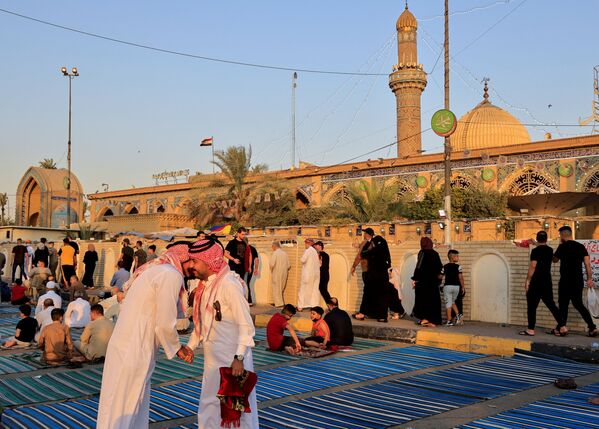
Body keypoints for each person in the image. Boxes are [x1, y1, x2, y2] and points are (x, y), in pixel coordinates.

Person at [97, 241, 197, 429]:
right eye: (194, 261)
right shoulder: (171, 274)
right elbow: (164, 323)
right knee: (125, 405)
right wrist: (178, 348)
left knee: (122, 404)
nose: (195, 267)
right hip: (135, 346)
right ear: (186, 259)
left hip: (127, 344)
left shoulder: (156, 270)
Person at [186, 237, 259, 428]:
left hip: (232, 360)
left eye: (195, 261)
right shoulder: (204, 287)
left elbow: (246, 324)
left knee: (237, 411)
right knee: (210, 405)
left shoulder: (228, 284)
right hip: (212, 362)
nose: (191, 266)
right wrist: (190, 346)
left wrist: (239, 357)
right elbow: (202, 323)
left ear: (209, 261)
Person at [553, 225, 598, 337]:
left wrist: (559, 246)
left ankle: (562, 328)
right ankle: (592, 327)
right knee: (578, 304)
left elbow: (554, 260)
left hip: (565, 281)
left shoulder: (562, 247)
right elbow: (588, 264)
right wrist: (589, 279)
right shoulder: (580, 247)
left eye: (560, 235)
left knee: (563, 305)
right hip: (577, 281)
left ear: (562, 235)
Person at [520, 231, 562, 336]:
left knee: (532, 306)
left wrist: (528, 280)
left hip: (536, 282)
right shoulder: (550, 250)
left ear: (537, 239)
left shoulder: (535, 251)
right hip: (547, 281)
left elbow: (533, 265)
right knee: (551, 304)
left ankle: (530, 329)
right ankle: (562, 326)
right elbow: (546, 251)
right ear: (546, 239)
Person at [352, 228, 392, 322]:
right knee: (380, 294)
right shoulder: (381, 241)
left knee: (368, 292)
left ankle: (362, 313)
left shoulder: (374, 242)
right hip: (381, 272)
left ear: (367, 234)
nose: (363, 235)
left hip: (375, 273)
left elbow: (363, 254)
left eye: (365, 233)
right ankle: (380, 316)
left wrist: (354, 265)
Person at [411, 237, 443, 327]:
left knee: (423, 301)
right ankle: (433, 320)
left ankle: (426, 319)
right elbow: (440, 268)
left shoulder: (422, 253)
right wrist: (438, 280)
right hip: (432, 282)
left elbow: (419, 267)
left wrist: (415, 279)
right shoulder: (435, 253)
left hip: (423, 282)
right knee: (433, 301)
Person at [442, 250, 465, 326]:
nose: (458, 257)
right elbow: (461, 277)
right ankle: (458, 315)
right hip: (456, 287)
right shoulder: (459, 267)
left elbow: (440, 276)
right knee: (452, 302)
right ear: (452, 257)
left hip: (448, 287)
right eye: (457, 256)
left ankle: (449, 321)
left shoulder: (444, 266)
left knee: (448, 304)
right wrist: (463, 287)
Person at [298, 238, 320, 311]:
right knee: (314, 290)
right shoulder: (315, 252)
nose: (305, 245)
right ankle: (314, 306)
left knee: (302, 290)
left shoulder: (308, 250)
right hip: (315, 274)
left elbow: (303, 260)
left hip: (307, 274)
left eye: (305, 243)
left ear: (308, 243)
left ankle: (300, 306)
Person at [269, 241, 291, 308]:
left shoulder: (275, 253)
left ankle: (278, 304)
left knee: (276, 288)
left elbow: (272, 264)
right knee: (281, 288)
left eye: (272, 247)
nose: (272, 248)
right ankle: (279, 302)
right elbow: (288, 265)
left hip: (277, 273)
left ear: (274, 246)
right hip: (284, 273)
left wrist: (271, 269)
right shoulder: (285, 253)